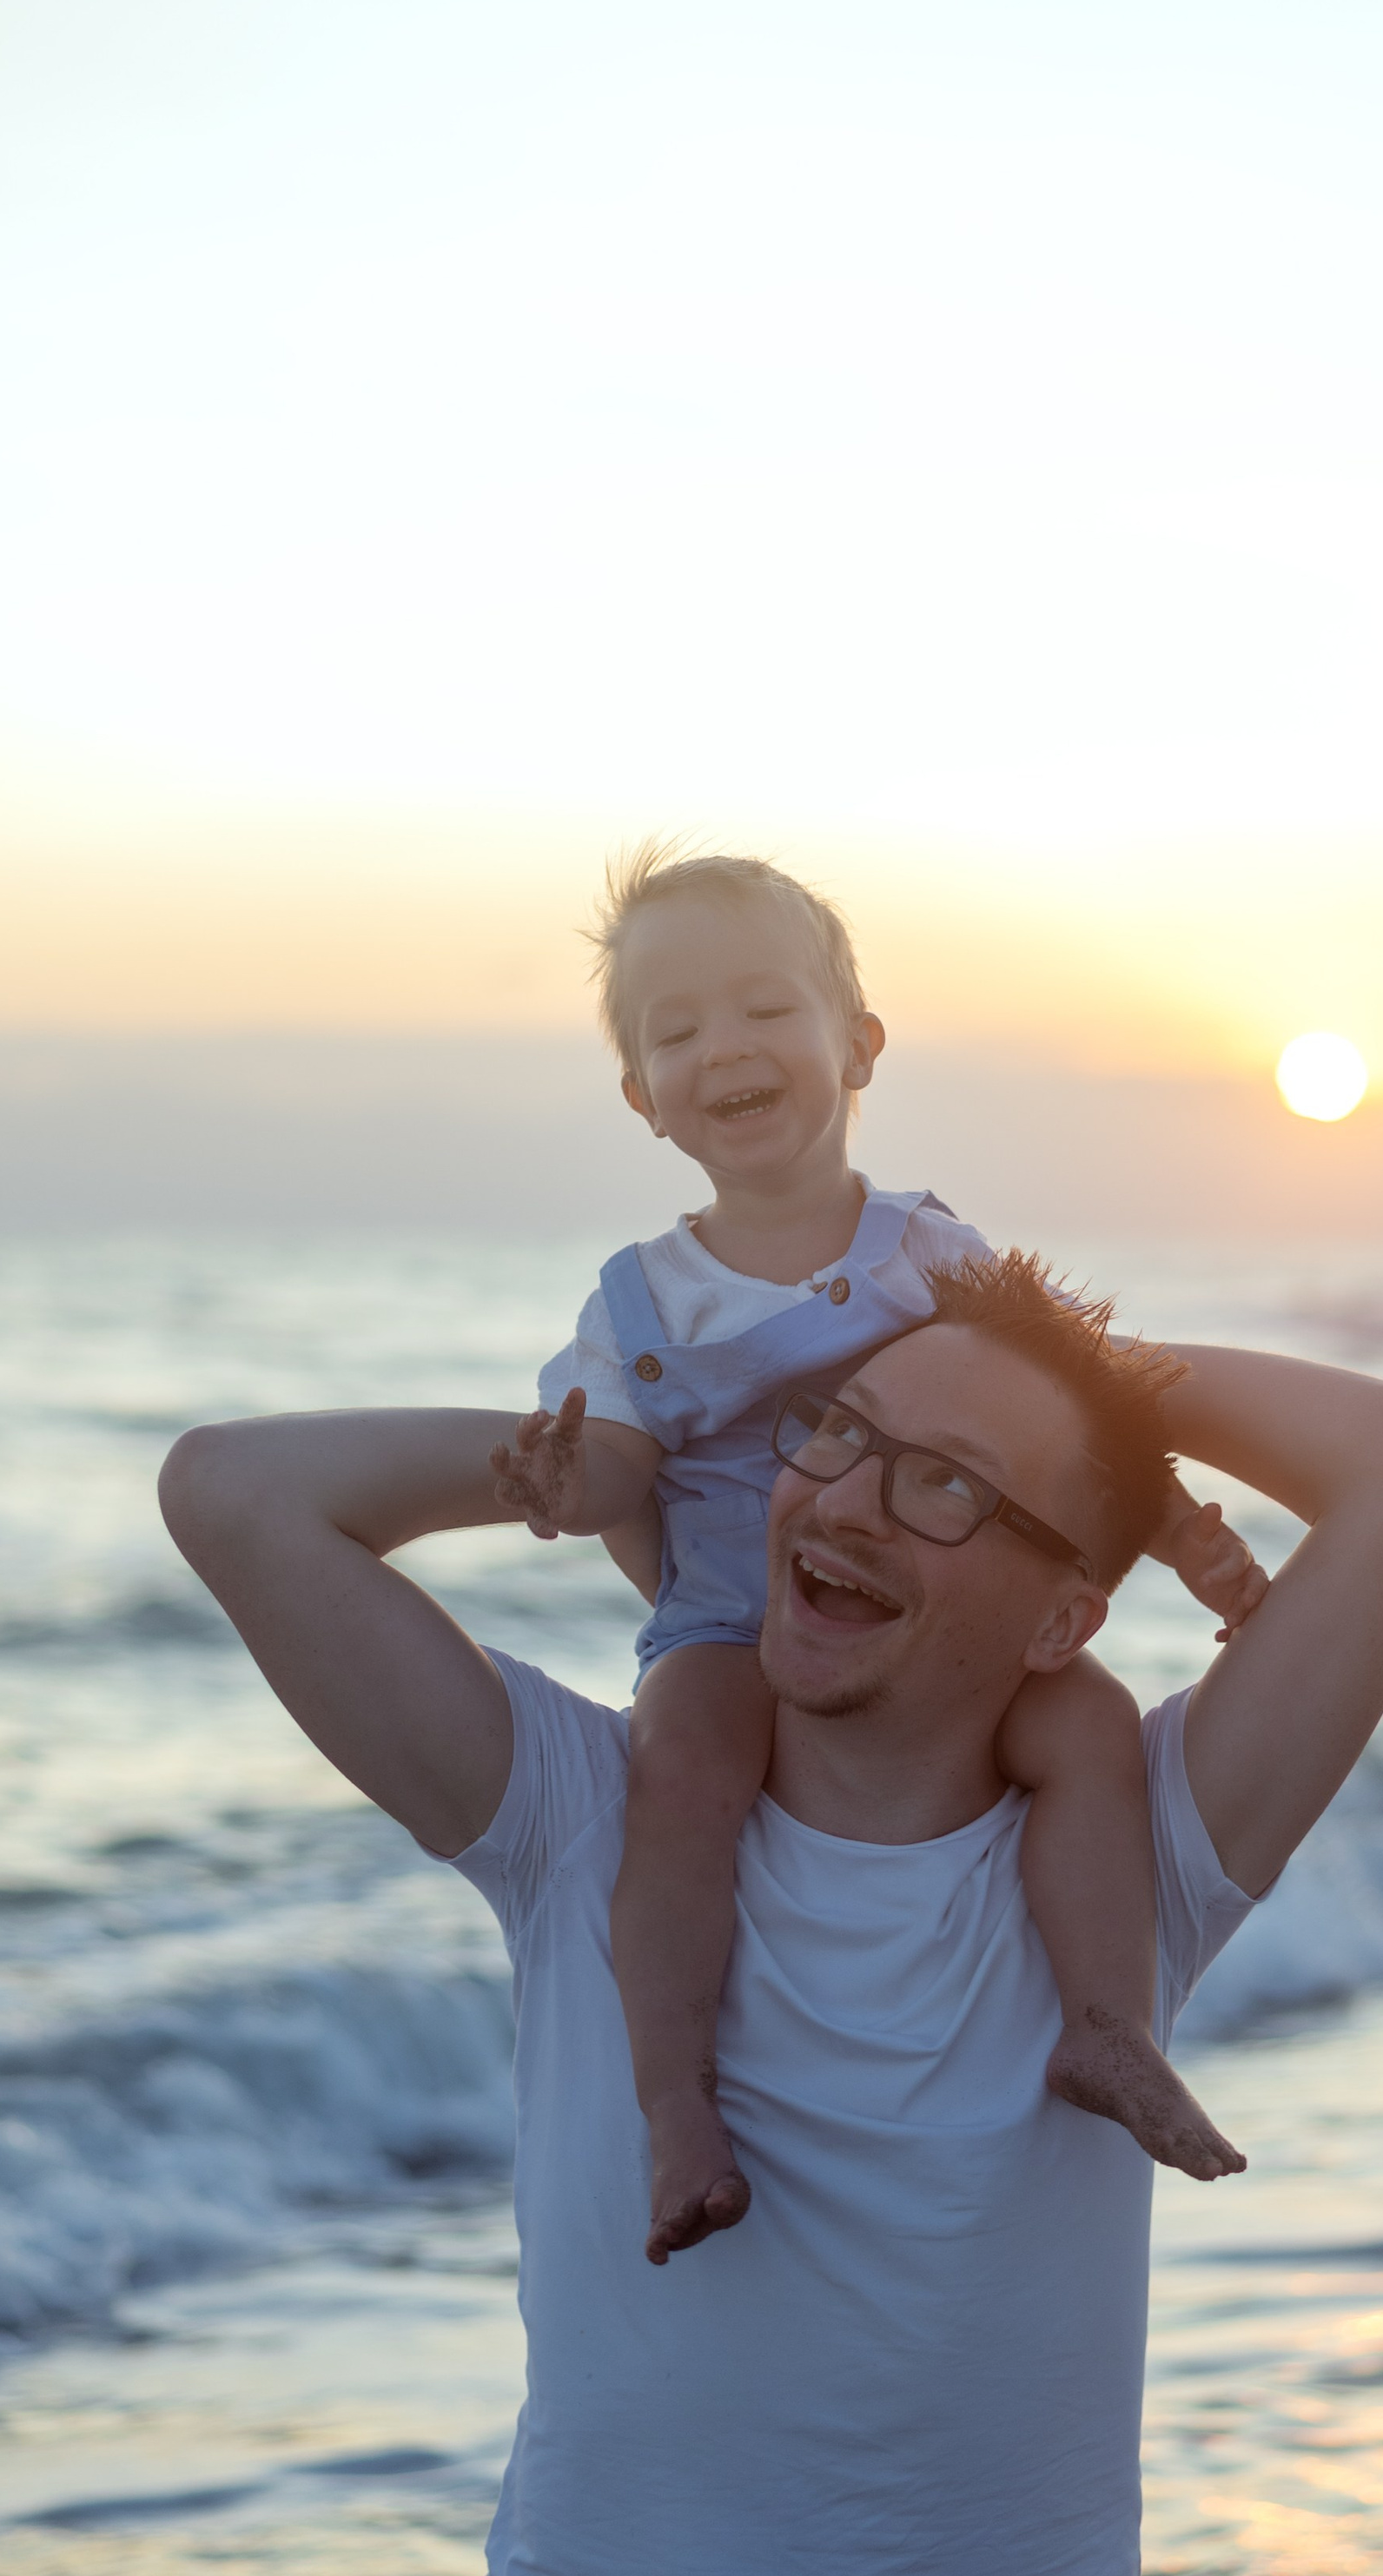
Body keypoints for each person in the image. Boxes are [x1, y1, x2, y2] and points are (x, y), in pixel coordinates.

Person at [158, 1249, 1383, 2576]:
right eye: (831, 1429)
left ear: (1068, 1607)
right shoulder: (587, 1812)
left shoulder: (1131, 1854)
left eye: (940, 1484)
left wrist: (1071, 1362)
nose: (842, 1499)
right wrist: (622, 1444)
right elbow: (233, 1488)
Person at [489, 842, 1263, 2261]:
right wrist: (559, 1478)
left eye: (766, 1008)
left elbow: (1075, 1412)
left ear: (859, 1044)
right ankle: (674, 2102)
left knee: (1085, 1721)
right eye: (677, 1030)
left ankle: (1108, 2025)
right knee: (680, 1776)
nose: (725, 1045)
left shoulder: (933, 1255)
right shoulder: (639, 1302)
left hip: (930, 1621)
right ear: (643, 1099)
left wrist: (1185, 1534)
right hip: (734, 1623)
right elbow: (618, 1463)